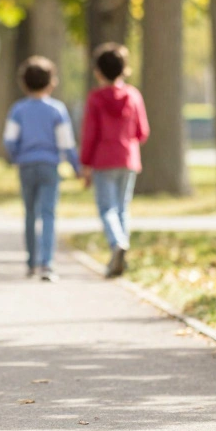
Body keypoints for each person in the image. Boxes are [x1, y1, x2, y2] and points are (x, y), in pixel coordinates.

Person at [3, 56, 81, 283]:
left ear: (24, 83)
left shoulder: (18, 110)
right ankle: (47, 263)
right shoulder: (57, 110)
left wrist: (17, 157)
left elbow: (9, 140)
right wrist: (76, 167)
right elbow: (66, 143)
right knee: (48, 214)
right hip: (50, 166)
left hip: (27, 166)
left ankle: (31, 262)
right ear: (51, 83)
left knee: (29, 213)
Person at [79, 43, 149, 278]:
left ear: (98, 72)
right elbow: (142, 132)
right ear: (124, 69)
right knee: (122, 207)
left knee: (106, 208)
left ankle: (117, 243)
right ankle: (122, 251)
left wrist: (85, 164)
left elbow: (90, 134)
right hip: (128, 158)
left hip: (102, 160)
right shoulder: (134, 95)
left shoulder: (95, 98)